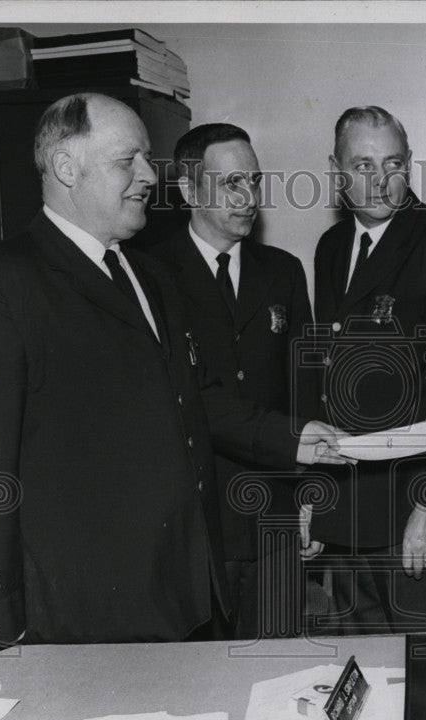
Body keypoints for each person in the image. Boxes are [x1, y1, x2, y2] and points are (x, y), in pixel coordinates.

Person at [0, 93, 345, 654]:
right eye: (129, 160)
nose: (149, 175)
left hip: (182, 597)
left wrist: (292, 438)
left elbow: (193, 401)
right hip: (77, 616)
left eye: (148, 158)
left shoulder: (149, 276)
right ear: (67, 167)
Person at [300, 106, 426, 634]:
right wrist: (313, 497)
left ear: (409, 165)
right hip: (346, 508)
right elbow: (326, 379)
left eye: (393, 164)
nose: (380, 181)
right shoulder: (331, 248)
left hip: (415, 510)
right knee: (355, 677)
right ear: (336, 170)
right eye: (362, 165)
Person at [150, 123, 320, 640]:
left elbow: (306, 386)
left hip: (276, 516)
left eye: (254, 181)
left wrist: (313, 497)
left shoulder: (283, 271)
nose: (248, 198)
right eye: (231, 185)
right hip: (196, 521)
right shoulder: (152, 273)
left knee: (278, 672)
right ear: (188, 190)